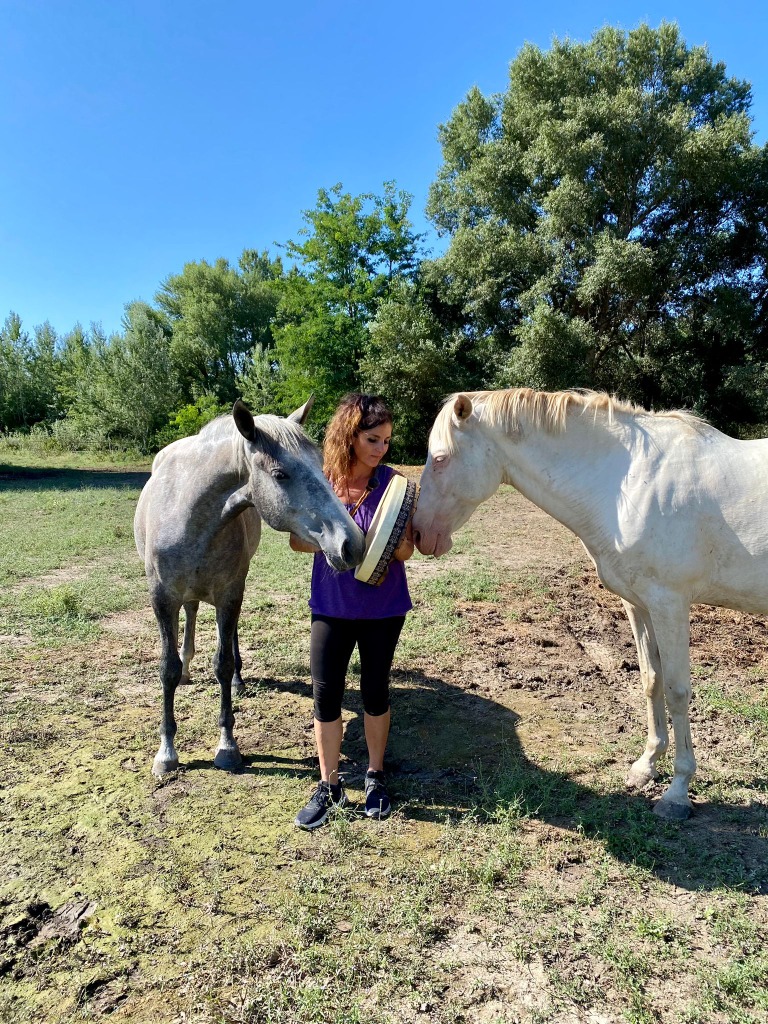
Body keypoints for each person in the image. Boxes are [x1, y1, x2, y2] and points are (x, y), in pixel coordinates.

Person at [290, 393, 414, 830]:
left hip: (383, 607)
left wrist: (395, 543)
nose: (381, 449)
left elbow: (406, 550)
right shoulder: (322, 482)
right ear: (350, 435)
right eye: (373, 439)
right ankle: (329, 784)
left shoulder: (394, 485)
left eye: (386, 441)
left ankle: (376, 777)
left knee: (375, 690)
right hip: (331, 605)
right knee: (325, 693)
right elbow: (297, 540)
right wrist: (335, 543)